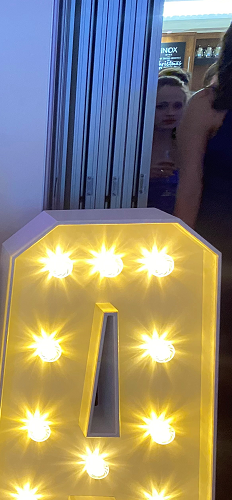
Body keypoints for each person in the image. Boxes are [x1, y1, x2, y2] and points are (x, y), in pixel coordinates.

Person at [173, 22, 232, 495]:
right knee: (212, 376)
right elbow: (188, 186)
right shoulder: (207, 105)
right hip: (221, 250)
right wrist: (182, 264)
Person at [148, 75, 189, 213]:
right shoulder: (131, 150)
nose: (170, 113)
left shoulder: (192, 147)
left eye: (177, 106)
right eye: (161, 106)